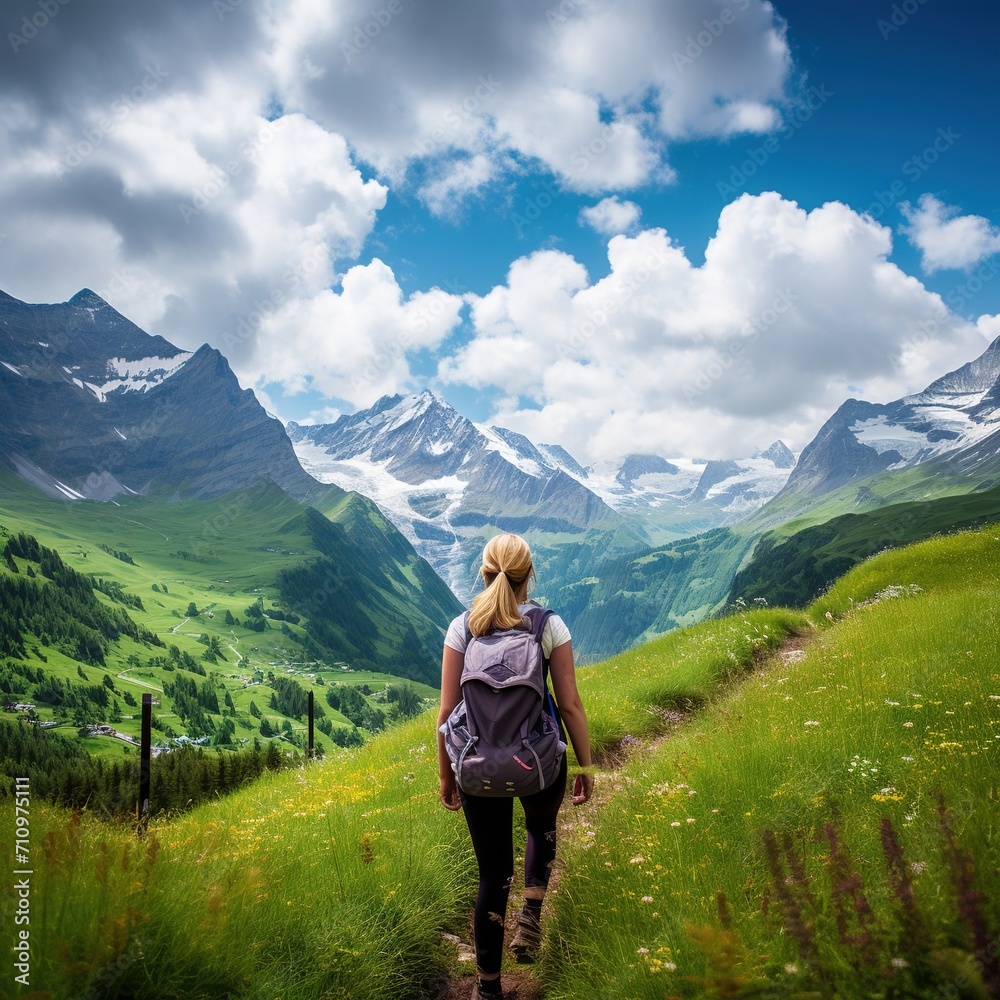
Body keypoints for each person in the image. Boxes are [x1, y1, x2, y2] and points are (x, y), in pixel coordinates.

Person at [437, 533, 594, 1000]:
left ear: (483, 573)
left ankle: (487, 989)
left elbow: (446, 716)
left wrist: (448, 775)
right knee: (541, 826)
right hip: (539, 761)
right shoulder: (549, 625)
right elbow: (569, 705)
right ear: (531, 576)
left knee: (492, 874)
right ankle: (531, 912)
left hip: (478, 766)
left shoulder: (462, 627)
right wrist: (586, 770)